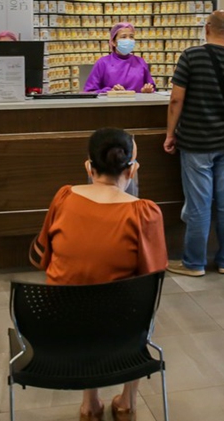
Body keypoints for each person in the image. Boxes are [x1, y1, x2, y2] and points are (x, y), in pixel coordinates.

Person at [30, 127, 168, 420]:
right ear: (132, 170)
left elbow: (42, 259)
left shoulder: (64, 197)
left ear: (88, 167)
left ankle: (89, 404)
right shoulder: (145, 213)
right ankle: (127, 401)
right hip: (119, 334)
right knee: (138, 305)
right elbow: (152, 281)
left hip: (56, 331)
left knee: (80, 294)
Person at [163, 10, 224, 277]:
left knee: (199, 205)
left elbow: (175, 100)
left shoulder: (190, 57)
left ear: (207, 29)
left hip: (195, 143)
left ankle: (194, 263)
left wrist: (171, 133)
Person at [84, 22, 155, 94]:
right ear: (113, 42)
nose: (128, 40)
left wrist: (146, 90)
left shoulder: (140, 62)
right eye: (123, 37)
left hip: (137, 104)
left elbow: (151, 86)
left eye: (131, 37)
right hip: (112, 104)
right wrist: (109, 92)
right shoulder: (103, 63)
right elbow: (89, 92)